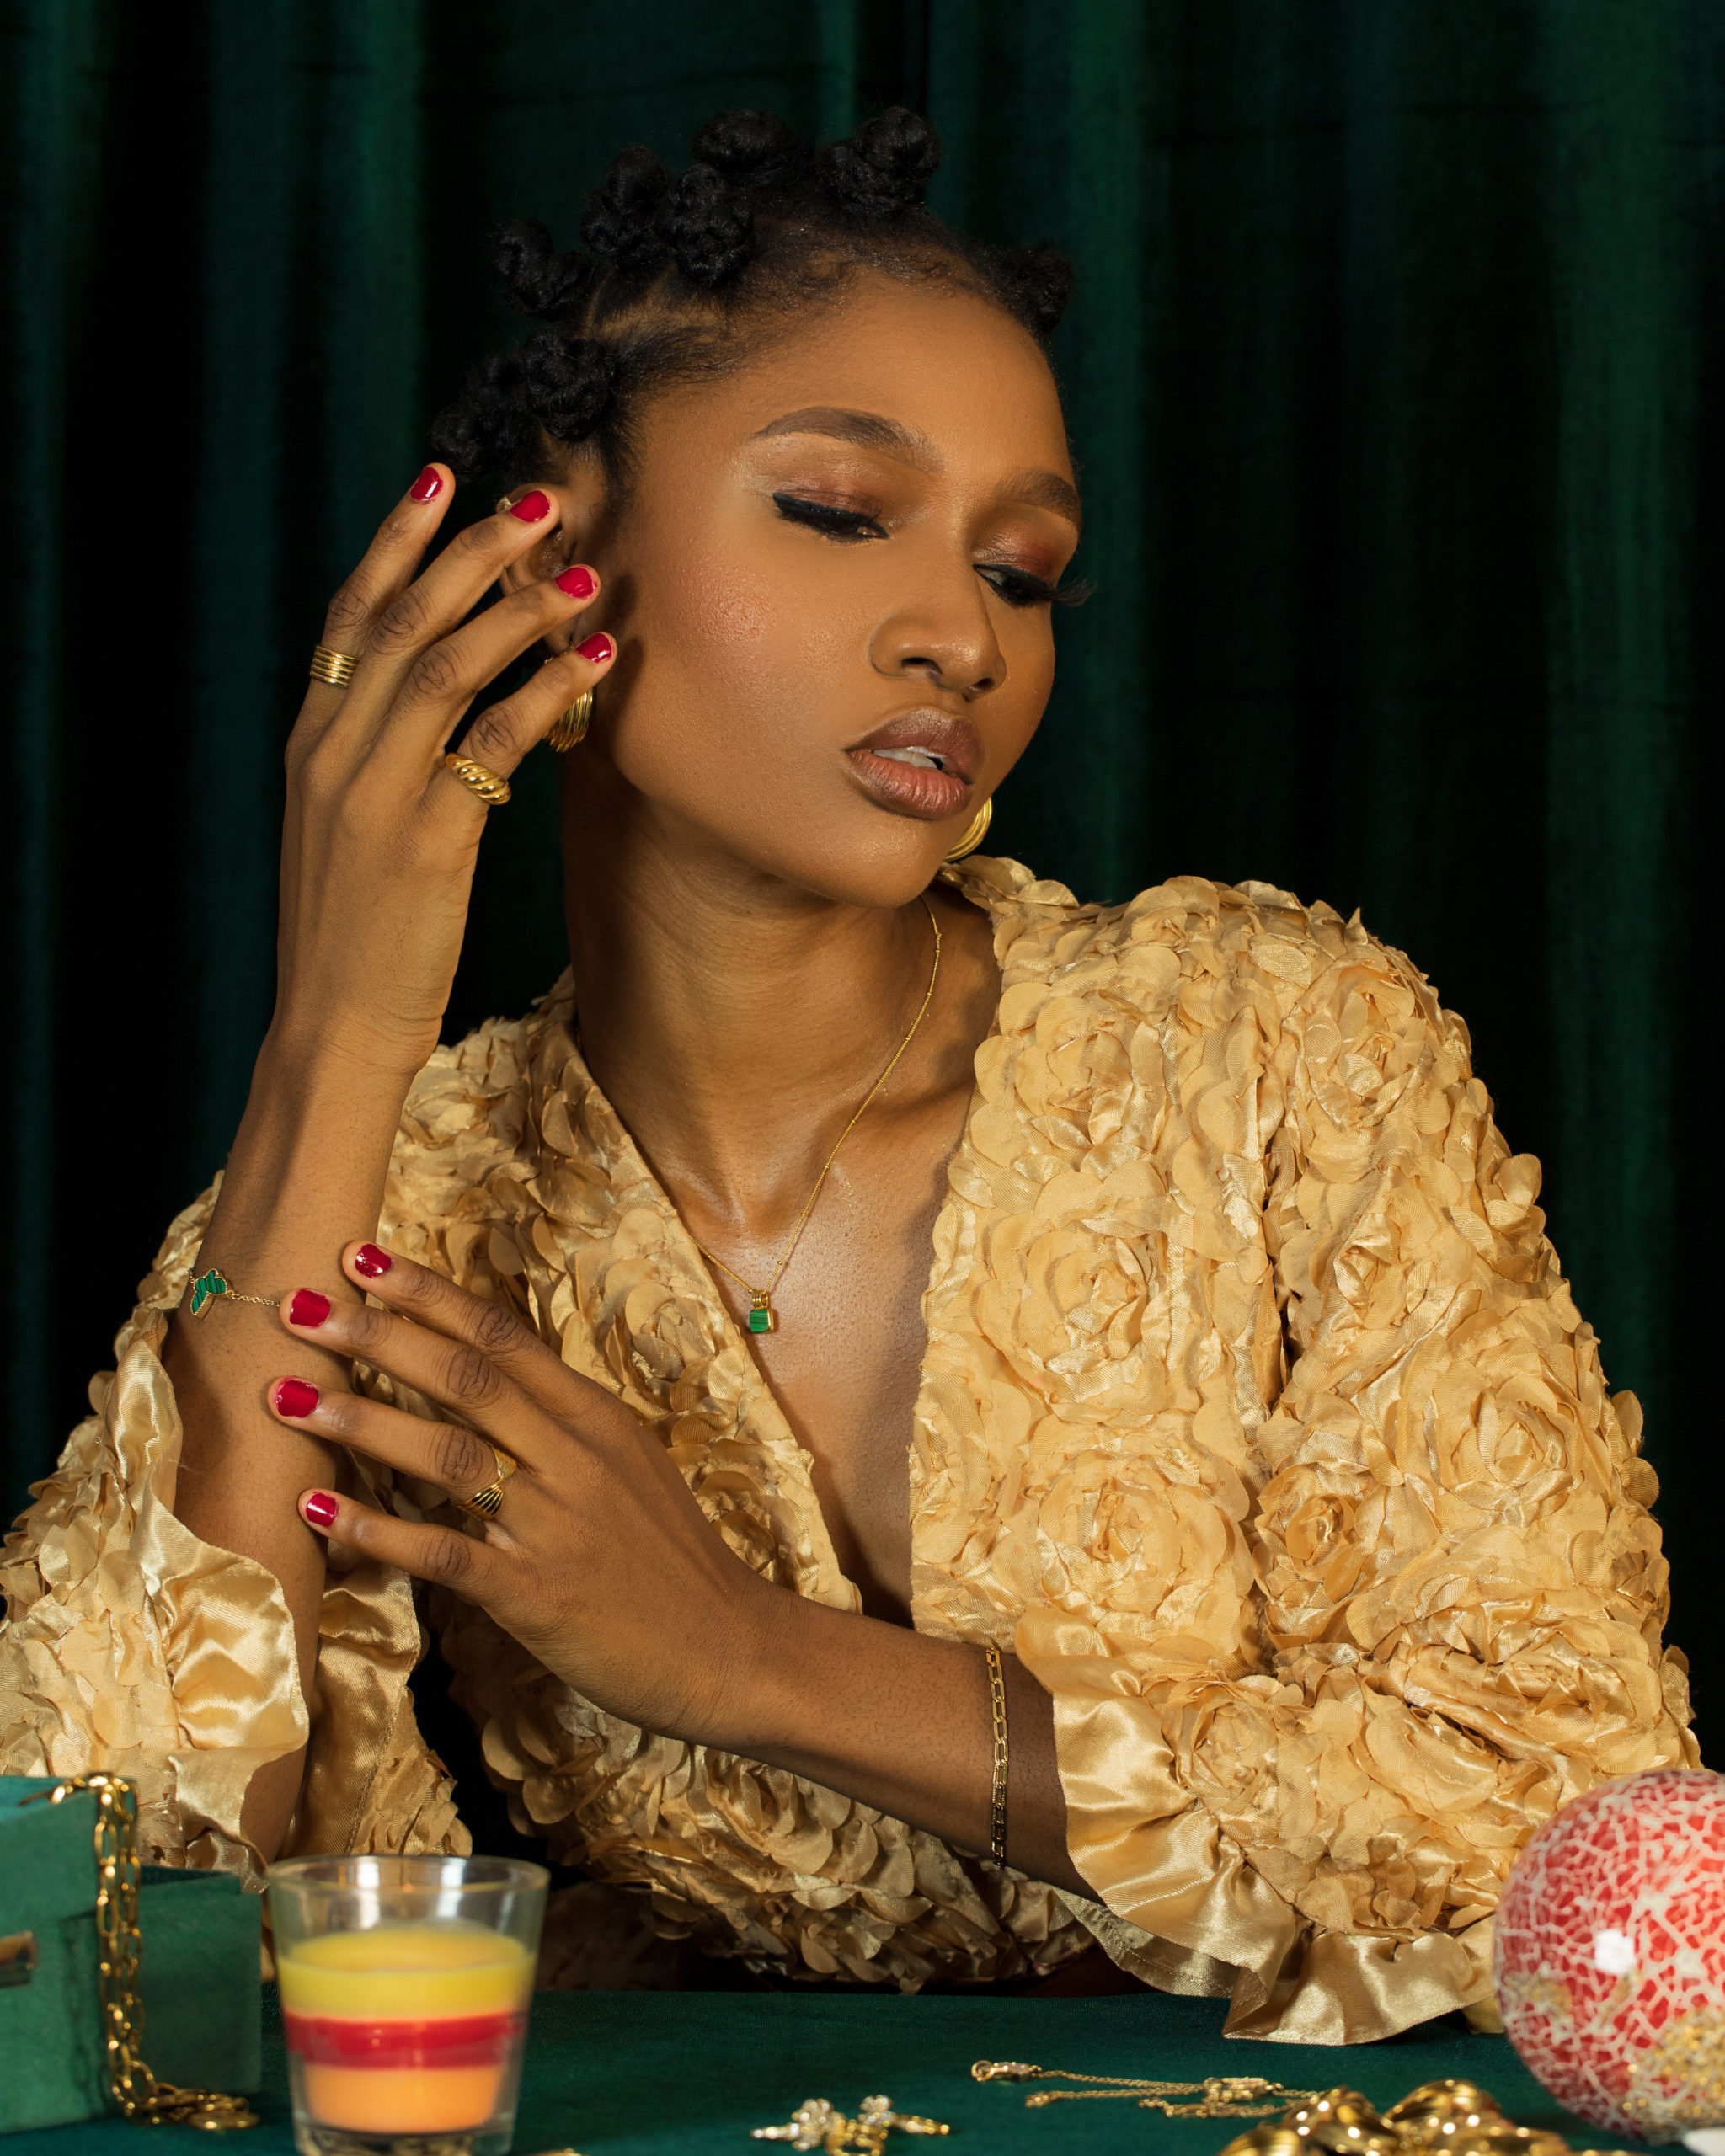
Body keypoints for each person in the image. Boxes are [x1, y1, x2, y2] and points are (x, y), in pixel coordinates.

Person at [0, 108, 1693, 2040]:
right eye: (834, 509)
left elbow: (1580, 1825)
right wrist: (333, 1039)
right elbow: (102, 1940)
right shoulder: (409, 1202)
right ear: (545, 558)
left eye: (1023, 570)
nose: (959, 634)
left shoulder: (1273, 1047)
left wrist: (744, 1655)